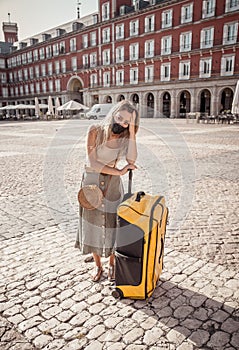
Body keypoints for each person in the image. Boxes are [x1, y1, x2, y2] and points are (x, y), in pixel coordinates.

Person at [76, 100, 140, 282]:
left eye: (126, 122)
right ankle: (98, 266)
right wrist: (118, 171)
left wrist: (133, 132)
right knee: (92, 223)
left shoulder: (126, 137)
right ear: (113, 113)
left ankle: (112, 263)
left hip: (112, 184)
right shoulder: (95, 130)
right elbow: (93, 162)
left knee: (113, 224)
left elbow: (132, 160)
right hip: (91, 181)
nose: (121, 123)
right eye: (119, 117)